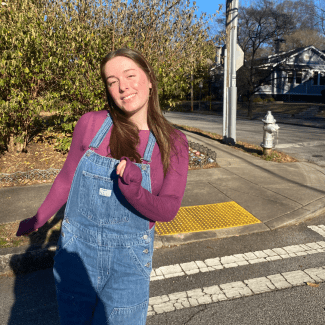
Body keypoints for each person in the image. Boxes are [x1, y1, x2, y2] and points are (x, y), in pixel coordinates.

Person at [16, 48, 189, 324]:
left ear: (150, 80)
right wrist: (39, 217)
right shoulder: (91, 124)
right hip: (76, 254)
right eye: (112, 81)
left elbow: (168, 208)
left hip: (128, 263)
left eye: (130, 75)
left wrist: (134, 190)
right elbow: (67, 178)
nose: (122, 87)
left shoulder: (173, 142)